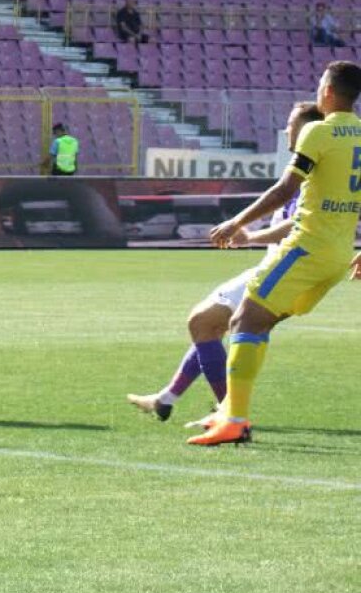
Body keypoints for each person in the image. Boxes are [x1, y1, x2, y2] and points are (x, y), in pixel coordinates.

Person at [190, 62, 361, 446]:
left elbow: (285, 189)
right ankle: (231, 413)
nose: (318, 90)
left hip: (307, 248)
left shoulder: (319, 130)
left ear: (329, 92)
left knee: (244, 320)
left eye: (320, 84)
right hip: (338, 255)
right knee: (257, 322)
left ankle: (233, 419)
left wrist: (236, 222)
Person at [129, 102, 325, 424]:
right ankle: (167, 398)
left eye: (291, 123)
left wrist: (250, 236)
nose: (286, 129)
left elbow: (301, 225)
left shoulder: (312, 174)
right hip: (281, 266)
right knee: (209, 325)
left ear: (306, 130)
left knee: (202, 322)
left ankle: (229, 414)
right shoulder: (308, 168)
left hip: (288, 269)